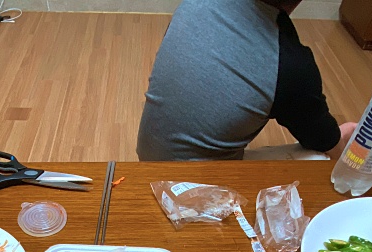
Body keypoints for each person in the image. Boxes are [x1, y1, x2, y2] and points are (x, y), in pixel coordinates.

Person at [136, 0, 356, 162]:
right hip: (195, 190)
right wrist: (341, 136)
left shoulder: (196, 4)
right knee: (320, 158)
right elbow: (326, 144)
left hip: (147, 158)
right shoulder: (289, 64)